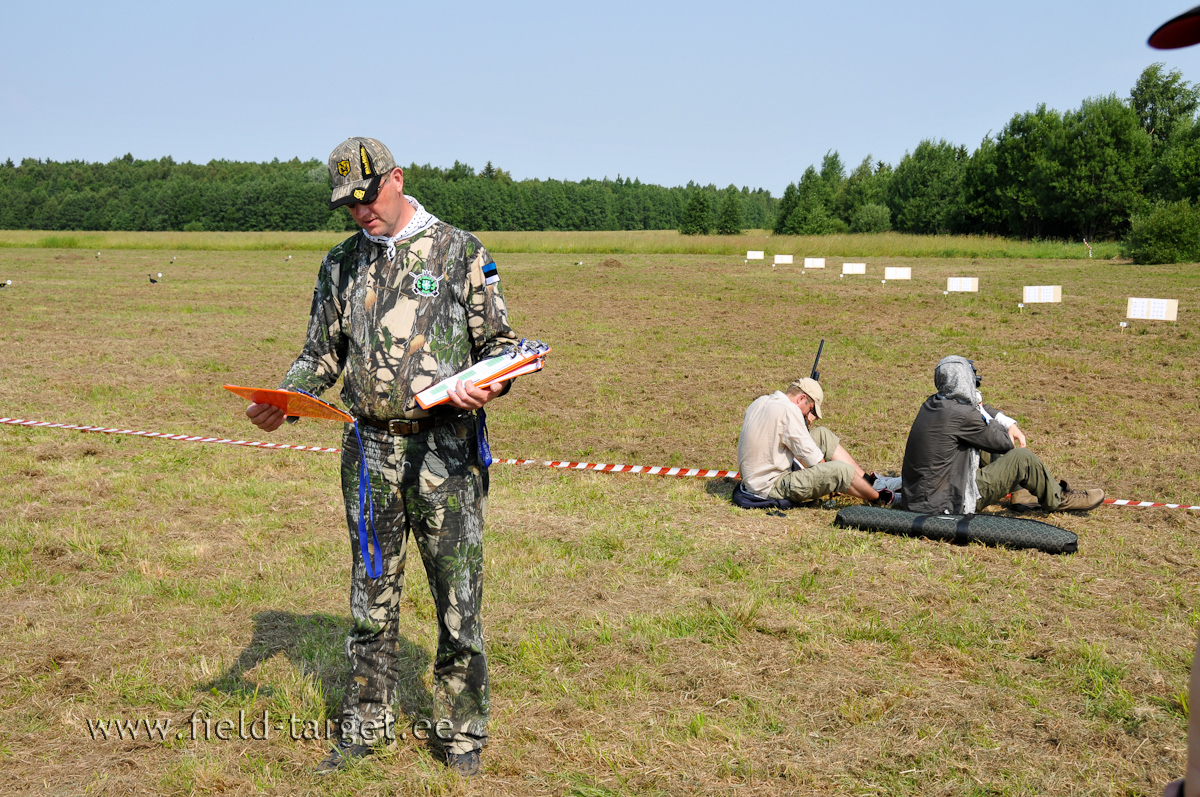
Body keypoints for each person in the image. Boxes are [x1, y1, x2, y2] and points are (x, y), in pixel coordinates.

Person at [245, 137, 519, 777]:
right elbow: (321, 353)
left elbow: (502, 346)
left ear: (396, 179)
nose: (361, 212)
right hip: (368, 453)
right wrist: (286, 397)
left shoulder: (460, 252)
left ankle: (461, 736)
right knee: (371, 598)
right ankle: (365, 726)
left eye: (368, 197)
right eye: (348, 205)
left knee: (459, 597)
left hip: (446, 450)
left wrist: (490, 382)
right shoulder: (340, 264)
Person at [900, 355, 1104, 514]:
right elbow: (1004, 442)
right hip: (947, 504)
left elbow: (981, 415)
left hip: (923, 499)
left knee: (982, 444)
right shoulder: (964, 415)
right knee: (1021, 458)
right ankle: (1057, 498)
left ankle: (1021, 493)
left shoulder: (933, 404)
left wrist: (1001, 419)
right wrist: (987, 415)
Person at [736, 377, 890, 506]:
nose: (811, 416)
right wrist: (830, 478)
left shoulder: (761, 401)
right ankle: (881, 499)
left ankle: (870, 482)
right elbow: (816, 461)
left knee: (822, 435)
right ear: (802, 398)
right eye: (811, 410)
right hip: (770, 486)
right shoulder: (790, 410)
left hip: (757, 478)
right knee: (840, 470)